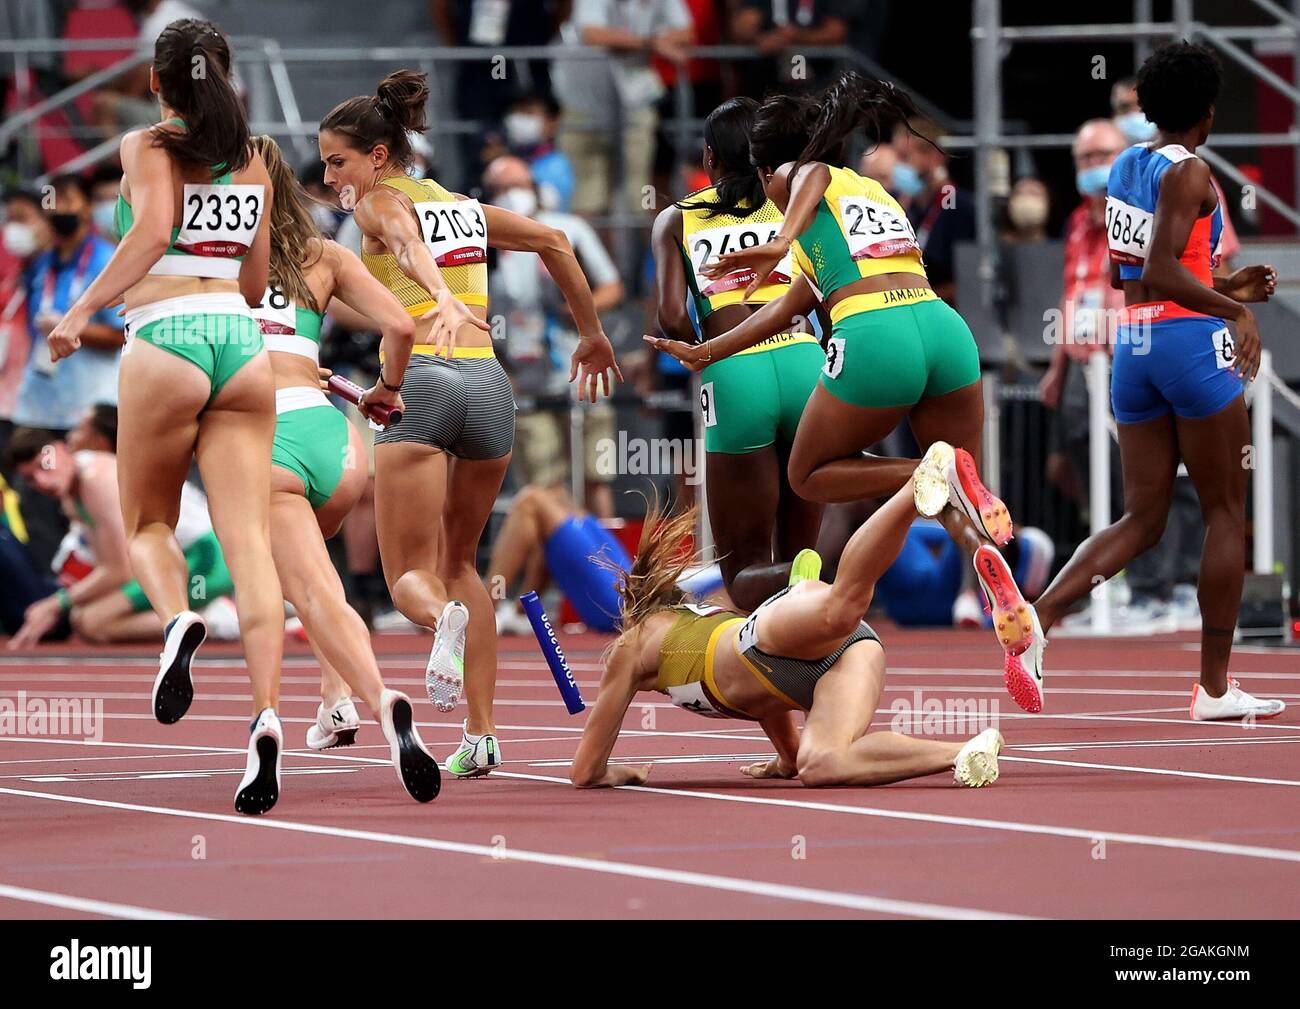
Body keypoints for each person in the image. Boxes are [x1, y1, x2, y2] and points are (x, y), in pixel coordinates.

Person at [647, 73, 1036, 697]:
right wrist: (705, 350)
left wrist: (774, 242)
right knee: (962, 488)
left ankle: (922, 475)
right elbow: (788, 305)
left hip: (876, 334)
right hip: (944, 330)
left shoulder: (804, 179)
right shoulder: (870, 194)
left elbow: (810, 180)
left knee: (809, 477)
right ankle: (1012, 615)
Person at [318, 69, 621, 777]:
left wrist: (436, 300)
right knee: (464, 567)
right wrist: (592, 335)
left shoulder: (376, 204)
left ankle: (438, 623)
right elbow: (554, 241)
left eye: (339, 161)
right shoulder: (465, 206)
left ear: (379, 157)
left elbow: (400, 237)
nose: (334, 178)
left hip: (422, 379)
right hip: (489, 383)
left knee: (409, 578)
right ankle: (481, 733)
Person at [46, 19, 288, 814]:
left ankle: (179, 617)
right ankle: (266, 720)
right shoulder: (257, 156)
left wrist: (82, 310)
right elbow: (255, 285)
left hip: (166, 341)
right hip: (241, 340)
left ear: (156, 83)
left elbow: (152, 233)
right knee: (249, 538)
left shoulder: (147, 146)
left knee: (147, 522)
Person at [1013, 42, 1285, 722]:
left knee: (1142, 516)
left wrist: (1225, 282)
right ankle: (1215, 689)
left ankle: (1038, 618)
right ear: (1210, 112)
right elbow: (1165, 272)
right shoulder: (1192, 172)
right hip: (1188, 342)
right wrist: (1233, 309)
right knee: (1225, 513)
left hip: (1133, 342)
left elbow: (1128, 277)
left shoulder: (1128, 164)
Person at [568, 442, 1005, 790]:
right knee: (821, 764)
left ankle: (917, 488)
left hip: (765, 635)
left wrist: (616, 772)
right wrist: (785, 758)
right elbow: (767, 708)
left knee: (841, 608)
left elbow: (585, 771)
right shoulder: (686, 634)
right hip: (842, 661)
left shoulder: (636, 641)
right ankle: (963, 752)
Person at [248, 134, 438, 802]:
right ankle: (334, 701)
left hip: (266, 435)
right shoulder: (319, 255)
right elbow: (403, 327)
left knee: (310, 590)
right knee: (313, 580)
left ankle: (376, 699)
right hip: (337, 435)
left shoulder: (211, 263)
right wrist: (384, 389)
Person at [648, 96, 825, 611]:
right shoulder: (795, 207)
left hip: (733, 374)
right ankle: (811, 576)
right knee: (801, 549)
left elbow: (672, 318)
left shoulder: (676, 218)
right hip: (805, 362)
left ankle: (793, 580)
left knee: (743, 569)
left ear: (708, 159)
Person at [4, 410, 241, 648]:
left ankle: (216, 619)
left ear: (63, 448)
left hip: (206, 560)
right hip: (178, 560)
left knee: (93, 621)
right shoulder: (72, 495)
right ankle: (200, 613)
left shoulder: (96, 479)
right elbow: (111, 567)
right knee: (85, 619)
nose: (42, 482)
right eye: (31, 478)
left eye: (44, 466)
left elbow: (120, 571)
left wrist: (55, 604)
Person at [484, 154, 624, 516]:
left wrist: (576, 307)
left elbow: (611, 286)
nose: (511, 194)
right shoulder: (485, 240)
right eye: (500, 189)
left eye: (517, 185)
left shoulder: (568, 229)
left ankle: (607, 569)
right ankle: (558, 568)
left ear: (535, 187)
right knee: (545, 483)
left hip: (582, 370)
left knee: (595, 473)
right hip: (524, 374)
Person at [552, 0, 693, 217]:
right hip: (584, 104)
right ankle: (589, 252)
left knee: (639, 196)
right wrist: (651, 43)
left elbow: (687, 33)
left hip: (636, 103)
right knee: (587, 199)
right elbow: (593, 36)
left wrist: (633, 43)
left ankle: (646, 252)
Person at [488, 484, 631, 634]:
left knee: (530, 502)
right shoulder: (559, 502)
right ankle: (517, 612)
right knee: (550, 501)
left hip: (619, 604)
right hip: (623, 598)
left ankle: (486, 609)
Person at [890, 115, 975, 305]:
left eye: (903, 156)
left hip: (945, 313)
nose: (896, 165)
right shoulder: (896, 201)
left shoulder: (959, 206)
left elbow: (968, 282)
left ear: (935, 157)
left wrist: (918, 301)